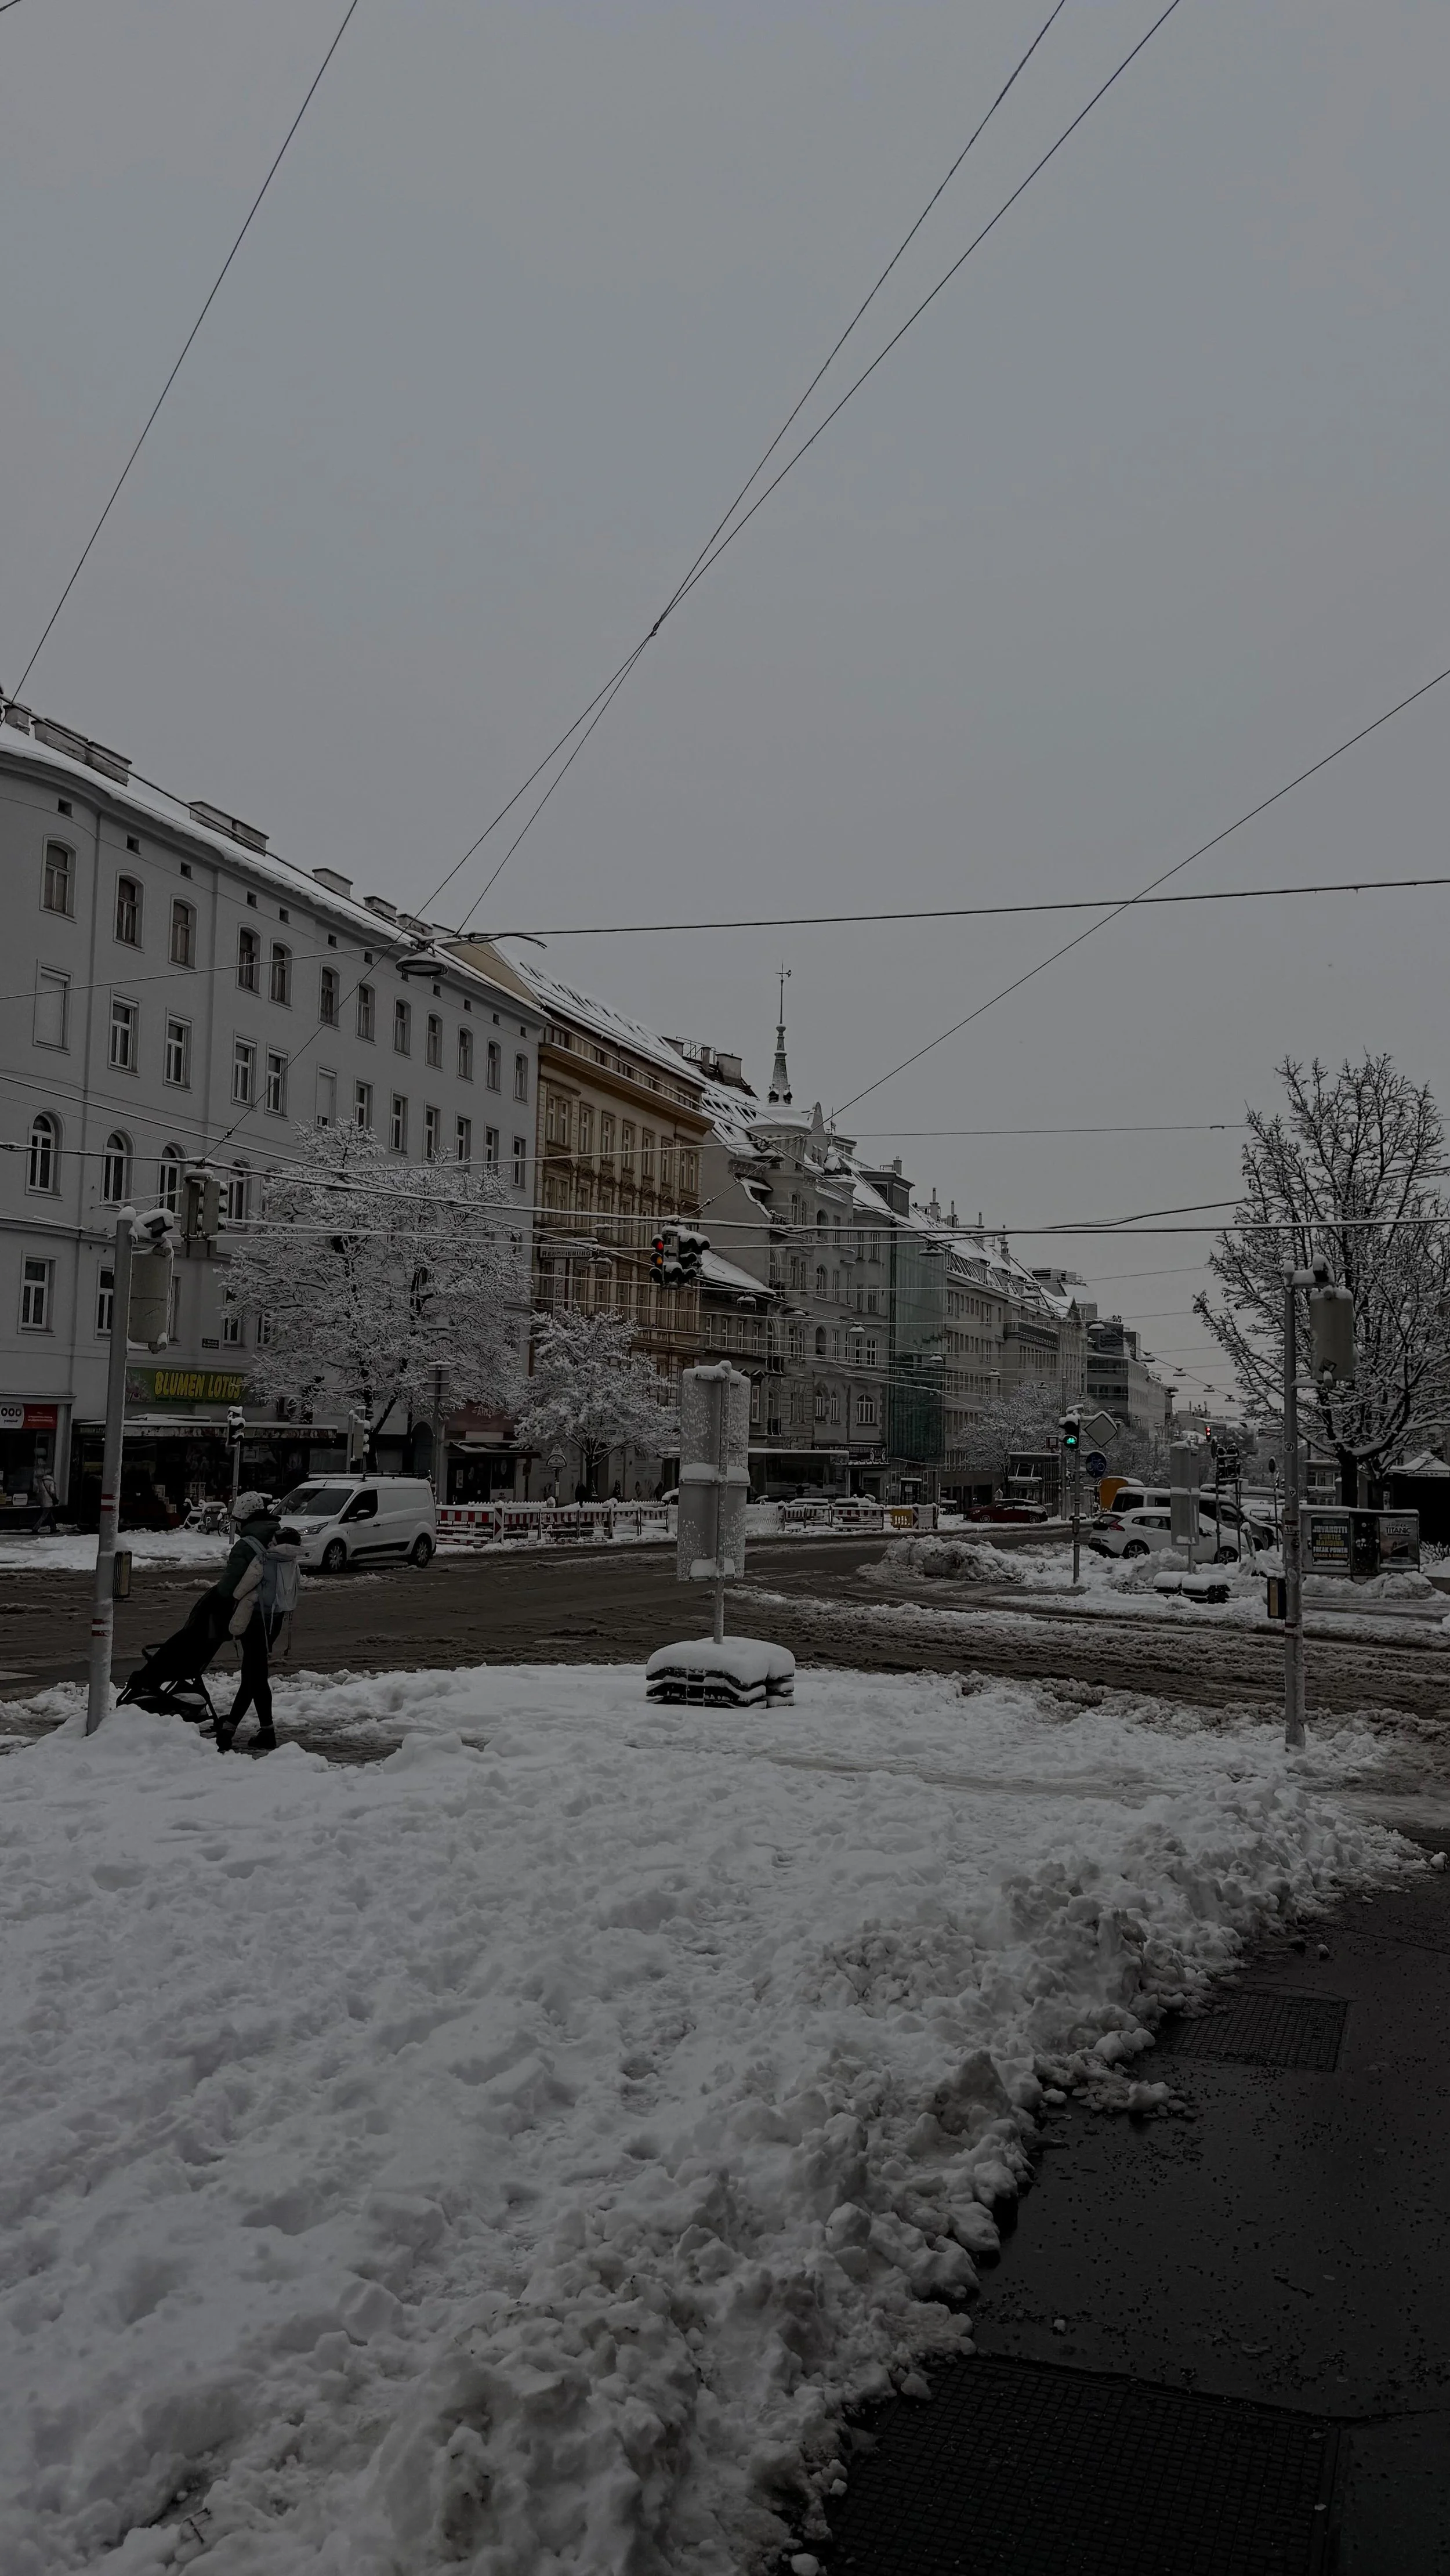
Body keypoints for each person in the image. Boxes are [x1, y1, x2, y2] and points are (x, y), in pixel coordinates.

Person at [215, 1492, 284, 1753]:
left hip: (252, 1616)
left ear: (243, 1518)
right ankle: (263, 1730)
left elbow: (227, 1588)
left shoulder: (246, 1546)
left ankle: (232, 1729)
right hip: (275, 1615)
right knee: (256, 1673)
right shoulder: (278, 1537)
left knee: (253, 1675)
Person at [33, 1465, 58, 1534]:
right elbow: (52, 1492)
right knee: (44, 1516)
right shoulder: (51, 1481)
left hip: (43, 1500)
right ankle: (35, 1528)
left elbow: (38, 1490)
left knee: (50, 1515)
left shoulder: (41, 1480)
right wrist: (55, 1499)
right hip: (49, 1501)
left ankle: (53, 1528)